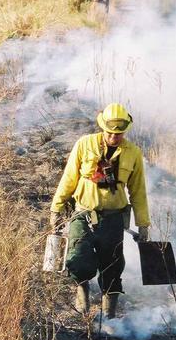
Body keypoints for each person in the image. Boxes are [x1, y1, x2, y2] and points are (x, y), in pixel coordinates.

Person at [49, 103, 150, 319]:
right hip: (83, 215)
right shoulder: (84, 144)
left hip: (113, 220)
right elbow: (69, 179)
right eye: (110, 133)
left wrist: (143, 224)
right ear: (102, 127)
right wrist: (56, 208)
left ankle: (109, 316)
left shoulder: (133, 153)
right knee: (78, 260)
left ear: (125, 131)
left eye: (119, 134)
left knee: (112, 266)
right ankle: (82, 301)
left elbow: (138, 191)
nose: (114, 137)